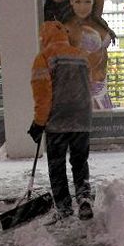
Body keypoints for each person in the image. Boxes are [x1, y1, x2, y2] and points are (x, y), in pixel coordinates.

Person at [28, 21, 94, 221]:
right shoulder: (81, 56)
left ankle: (64, 209)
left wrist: (39, 123)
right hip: (82, 119)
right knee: (80, 162)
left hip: (58, 121)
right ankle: (83, 197)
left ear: (44, 38)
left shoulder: (44, 58)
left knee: (57, 166)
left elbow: (43, 96)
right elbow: (87, 86)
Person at [65, 0, 116, 109]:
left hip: (103, 94)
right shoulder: (68, 28)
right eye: (78, 1)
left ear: (93, 1)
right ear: (71, 1)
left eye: (87, 1)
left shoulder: (96, 19)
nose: (83, 7)